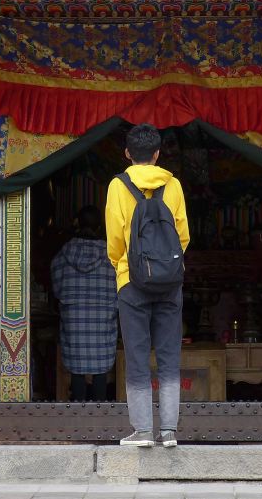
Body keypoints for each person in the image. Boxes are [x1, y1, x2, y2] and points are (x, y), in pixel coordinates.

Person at [105, 123, 190, 448]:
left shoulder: (118, 186)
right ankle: (168, 431)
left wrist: (122, 266)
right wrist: (168, 265)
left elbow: (115, 237)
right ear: (157, 154)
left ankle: (142, 431)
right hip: (170, 281)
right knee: (170, 355)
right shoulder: (174, 185)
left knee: (138, 354)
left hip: (132, 281)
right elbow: (183, 235)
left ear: (128, 154)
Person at [50, 206, 118, 402]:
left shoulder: (63, 254)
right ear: (100, 226)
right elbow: (121, 287)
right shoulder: (112, 256)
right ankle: (100, 410)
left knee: (76, 369)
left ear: (77, 223)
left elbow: (57, 289)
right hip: (103, 321)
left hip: (74, 321)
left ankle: (77, 411)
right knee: (101, 369)